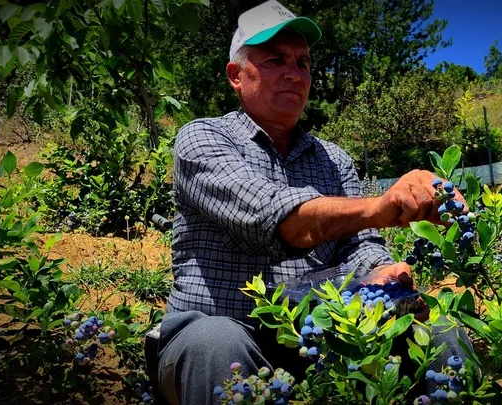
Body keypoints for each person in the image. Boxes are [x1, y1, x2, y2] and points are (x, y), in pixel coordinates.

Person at [156, 2, 470, 404]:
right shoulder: (203, 139)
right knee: (217, 342)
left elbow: (362, 246)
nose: (294, 72)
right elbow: (278, 217)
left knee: (441, 333)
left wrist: (381, 272)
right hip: (215, 330)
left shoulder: (334, 160)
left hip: (314, 337)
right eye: (275, 59)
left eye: (303, 62)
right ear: (236, 75)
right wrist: (383, 206)